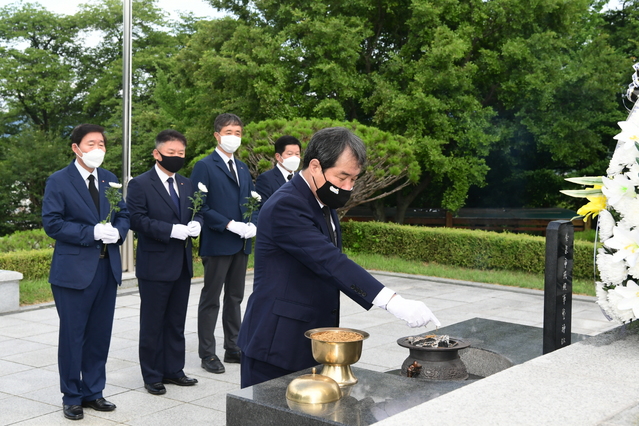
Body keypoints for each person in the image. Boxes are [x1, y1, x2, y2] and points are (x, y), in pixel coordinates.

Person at [237, 126, 440, 388]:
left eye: (354, 179)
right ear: (315, 166)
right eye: (342, 177)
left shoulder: (322, 201)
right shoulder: (286, 205)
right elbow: (329, 261)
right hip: (277, 342)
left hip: (310, 338)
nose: (348, 187)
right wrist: (393, 302)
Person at [42, 124, 130, 420]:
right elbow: (52, 223)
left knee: (99, 335)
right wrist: (90, 232)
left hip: (107, 268)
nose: (98, 149)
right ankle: (72, 395)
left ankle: (94, 391)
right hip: (73, 272)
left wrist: (117, 232)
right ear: (76, 148)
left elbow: (124, 215)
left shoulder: (110, 179)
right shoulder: (59, 180)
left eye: (102, 144)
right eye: (91, 143)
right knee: (73, 336)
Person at [126, 129, 203, 395]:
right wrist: (170, 230)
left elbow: (198, 211)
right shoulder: (140, 184)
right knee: (153, 322)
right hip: (155, 264)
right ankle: (152, 375)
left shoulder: (186, 183)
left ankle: (174, 370)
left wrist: (196, 223)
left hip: (181, 263)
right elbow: (136, 219)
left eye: (181, 153)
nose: (177, 157)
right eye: (171, 153)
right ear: (157, 154)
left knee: (175, 321)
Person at [190, 113, 258, 374]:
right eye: (229, 132)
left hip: (241, 243)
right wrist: (229, 224)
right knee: (211, 298)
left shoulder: (242, 167)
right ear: (217, 135)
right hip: (219, 240)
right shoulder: (204, 165)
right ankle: (207, 353)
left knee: (235, 297)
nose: (234, 137)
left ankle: (233, 347)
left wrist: (253, 222)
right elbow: (200, 205)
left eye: (238, 132)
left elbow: (252, 200)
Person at [255, 135, 302, 206]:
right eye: (289, 154)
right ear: (278, 156)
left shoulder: (300, 178)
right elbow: (263, 209)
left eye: (297, 154)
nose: (294, 157)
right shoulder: (266, 179)